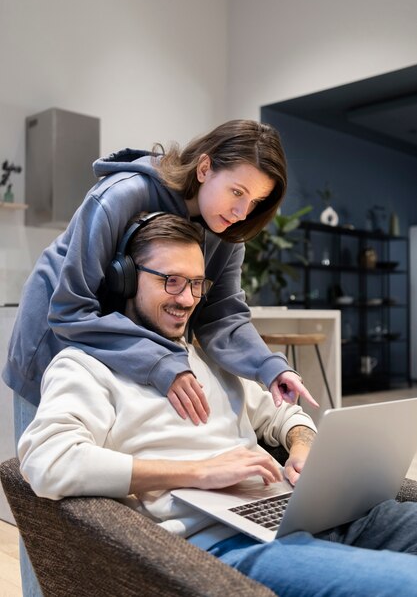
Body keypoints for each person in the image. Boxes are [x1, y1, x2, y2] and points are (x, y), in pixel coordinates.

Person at [18, 213, 417, 597]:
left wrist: (302, 447)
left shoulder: (209, 356)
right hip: (235, 546)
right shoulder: (86, 365)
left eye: (196, 283)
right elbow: (47, 461)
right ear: (125, 279)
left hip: (306, 515)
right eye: (171, 281)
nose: (187, 299)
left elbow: (283, 413)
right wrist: (197, 472)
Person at [5, 119, 315, 596]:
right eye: (236, 191)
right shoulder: (122, 195)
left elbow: (222, 316)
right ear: (205, 167)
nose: (241, 209)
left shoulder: (226, 231)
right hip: (54, 345)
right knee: (47, 507)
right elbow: (69, 308)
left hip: (130, 347)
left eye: (254, 202)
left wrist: (271, 367)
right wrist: (159, 361)